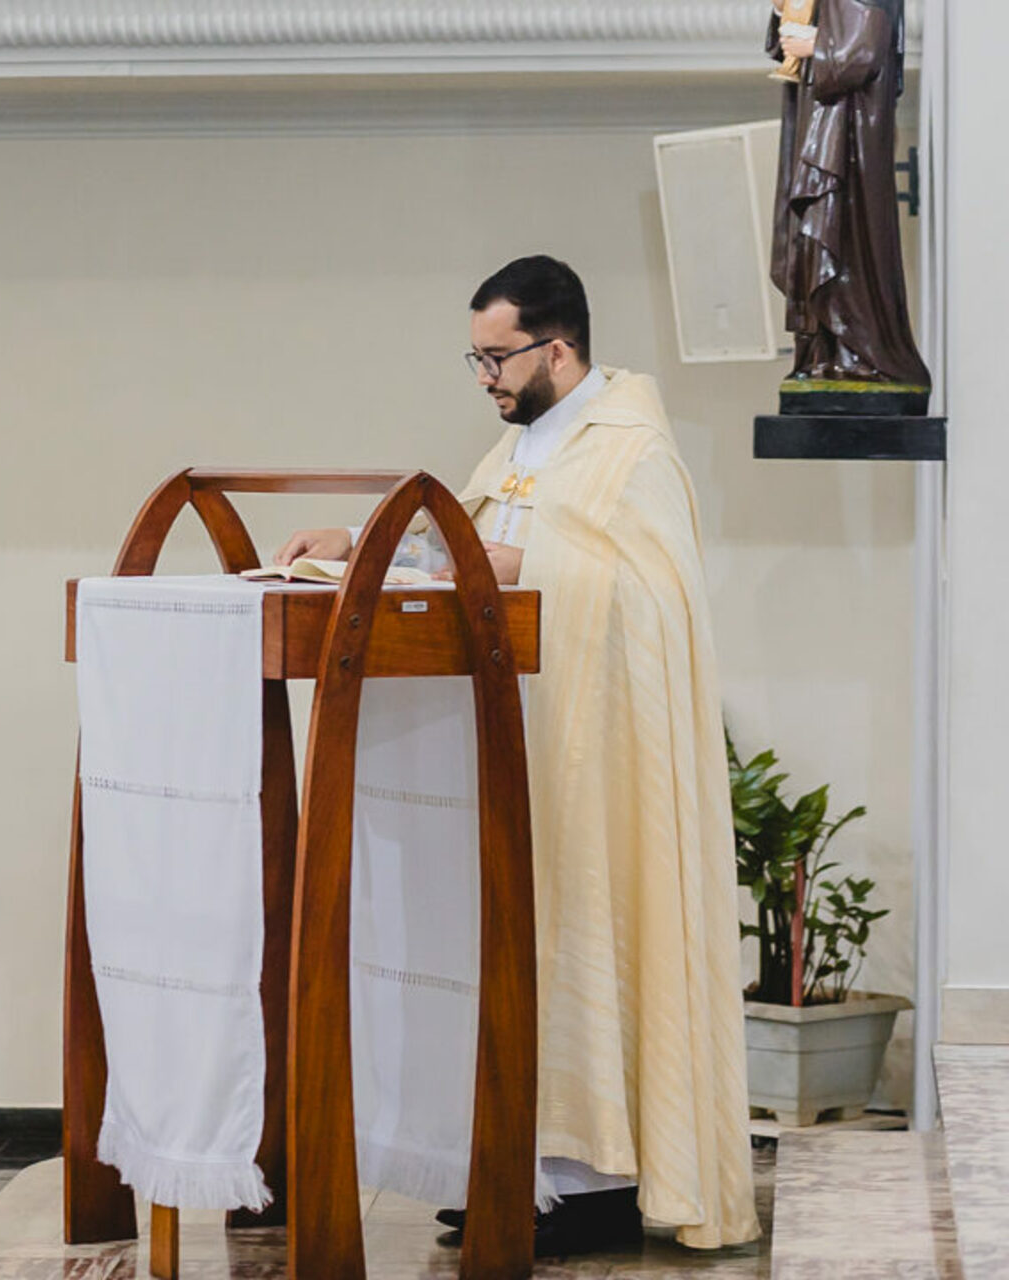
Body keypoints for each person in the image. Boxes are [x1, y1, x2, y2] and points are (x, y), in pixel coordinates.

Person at [277, 256, 759, 1254]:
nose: (486, 377)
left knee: (585, 933)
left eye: (497, 358)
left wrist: (525, 563)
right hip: (512, 743)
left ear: (559, 348)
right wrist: (362, 542)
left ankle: (593, 1181)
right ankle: (511, 1165)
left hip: (597, 762)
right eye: (477, 358)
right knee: (499, 942)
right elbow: (462, 541)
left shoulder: (629, 449)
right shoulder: (519, 447)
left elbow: (648, 596)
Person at [768, 0, 929, 387]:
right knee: (815, 231)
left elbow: (868, 43)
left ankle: (860, 353)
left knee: (846, 232)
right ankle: (822, 353)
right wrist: (783, 12)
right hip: (820, 112)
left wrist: (818, 46)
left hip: (851, 124)